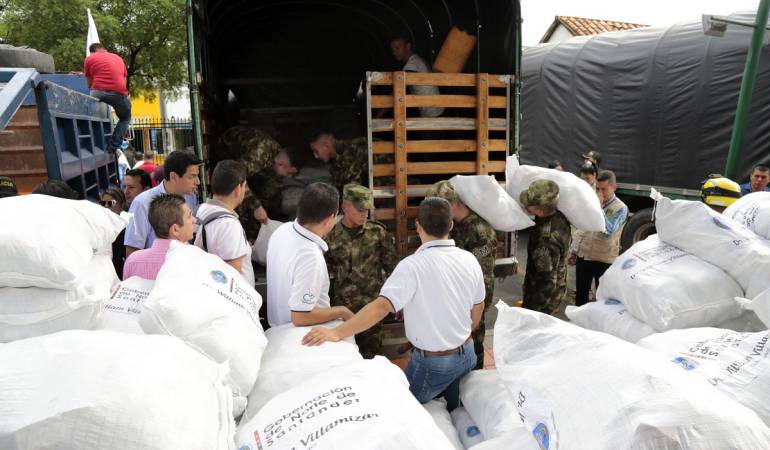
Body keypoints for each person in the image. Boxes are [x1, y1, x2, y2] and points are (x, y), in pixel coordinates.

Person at [302, 197, 485, 411]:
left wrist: (336, 333)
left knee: (399, 411)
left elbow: (380, 308)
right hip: (467, 354)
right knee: (458, 412)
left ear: (418, 227)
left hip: (433, 365)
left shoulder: (412, 266)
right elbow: (477, 309)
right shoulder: (469, 260)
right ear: (451, 225)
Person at [426, 180, 497, 370]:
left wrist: (474, 310)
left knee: (473, 346)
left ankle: (475, 387)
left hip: (471, 302)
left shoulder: (480, 232)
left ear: (450, 205)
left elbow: (482, 278)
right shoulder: (456, 225)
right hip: (456, 298)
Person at [266, 182, 354, 327]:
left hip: (277, 330)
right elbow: (300, 317)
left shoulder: (281, 231)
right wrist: (341, 311)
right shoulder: (310, 257)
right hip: (299, 337)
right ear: (329, 219)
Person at [325, 184, 397, 359]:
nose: (365, 214)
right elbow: (323, 274)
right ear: (344, 206)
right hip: (343, 309)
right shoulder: (330, 235)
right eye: (360, 210)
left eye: (367, 210)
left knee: (373, 359)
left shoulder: (377, 232)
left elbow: (393, 269)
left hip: (372, 308)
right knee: (345, 358)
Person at [124, 150, 201, 256]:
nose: (198, 182)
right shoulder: (142, 204)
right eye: (192, 176)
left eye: (197, 176)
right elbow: (132, 251)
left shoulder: (190, 197)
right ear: (173, 176)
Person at [569, 170, 628, 306]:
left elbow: (608, 231)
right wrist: (574, 251)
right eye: (598, 188)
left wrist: (599, 208)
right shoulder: (591, 203)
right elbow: (582, 229)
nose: (600, 193)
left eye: (604, 189)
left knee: (601, 298)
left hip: (604, 260)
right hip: (584, 256)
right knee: (581, 295)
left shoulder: (621, 208)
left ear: (614, 187)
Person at [194, 160, 255, 286]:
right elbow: (232, 277)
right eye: (245, 186)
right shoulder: (228, 224)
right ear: (238, 189)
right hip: (233, 301)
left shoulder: (199, 210)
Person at [520, 180, 572, 315]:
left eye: (529, 205)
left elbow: (547, 281)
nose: (525, 205)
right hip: (556, 289)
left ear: (540, 210)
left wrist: (535, 310)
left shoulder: (544, 241)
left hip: (543, 300)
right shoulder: (557, 217)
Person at [123, 193, 196, 280]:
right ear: (175, 230)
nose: (194, 220)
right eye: (189, 216)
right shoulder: (194, 260)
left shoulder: (132, 261)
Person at [241, 146, 308, 240]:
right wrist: (256, 207)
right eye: (288, 173)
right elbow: (236, 178)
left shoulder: (275, 158)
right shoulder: (259, 154)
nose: (287, 177)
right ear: (280, 164)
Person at [84, 43, 130, 153]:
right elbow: (124, 81)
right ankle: (114, 146)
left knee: (89, 112)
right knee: (125, 118)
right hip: (118, 93)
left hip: (98, 92)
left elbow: (89, 83)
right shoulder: (118, 58)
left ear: (92, 51)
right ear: (104, 49)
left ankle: (90, 141)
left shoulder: (89, 58)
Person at [390, 35, 443, 117]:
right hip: (435, 109)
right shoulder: (416, 59)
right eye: (393, 50)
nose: (394, 53)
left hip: (432, 112)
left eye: (397, 48)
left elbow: (400, 87)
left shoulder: (413, 63)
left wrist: (381, 111)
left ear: (408, 46)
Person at [100, 187, 127, 279]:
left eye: (111, 203)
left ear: (122, 205)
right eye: (103, 204)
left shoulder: (127, 229)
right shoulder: (98, 228)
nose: (106, 207)